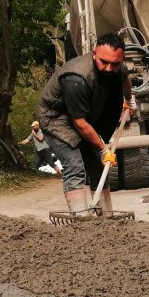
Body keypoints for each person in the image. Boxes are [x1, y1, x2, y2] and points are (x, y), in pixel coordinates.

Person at [37, 33, 132, 215]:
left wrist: (129, 100)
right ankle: (81, 221)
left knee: (98, 167)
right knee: (75, 165)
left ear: (121, 59)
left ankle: (106, 216)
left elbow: (124, 77)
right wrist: (104, 149)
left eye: (115, 64)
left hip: (82, 117)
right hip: (56, 120)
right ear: (94, 53)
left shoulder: (116, 65)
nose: (109, 68)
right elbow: (79, 123)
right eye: (104, 62)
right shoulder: (77, 78)